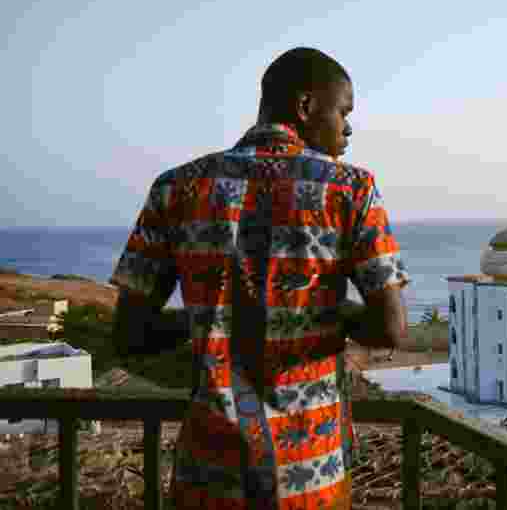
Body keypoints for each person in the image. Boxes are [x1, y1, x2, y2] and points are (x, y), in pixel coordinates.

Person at [111, 47, 409, 509]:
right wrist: (324, 316)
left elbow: (130, 334)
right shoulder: (352, 188)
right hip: (311, 475)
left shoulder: (175, 188)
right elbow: (391, 328)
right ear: (305, 107)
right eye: (343, 112)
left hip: (208, 474)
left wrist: (213, 323)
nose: (348, 128)